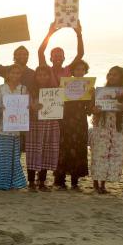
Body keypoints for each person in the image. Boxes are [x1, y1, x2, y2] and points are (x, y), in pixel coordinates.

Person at [54, 60, 93, 191]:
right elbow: (57, 103)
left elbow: (89, 110)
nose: (80, 71)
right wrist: (60, 92)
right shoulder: (65, 84)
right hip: (65, 121)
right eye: (77, 69)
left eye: (82, 69)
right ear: (72, 71)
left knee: (78, 150)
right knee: (64, 149)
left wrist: (92, 97)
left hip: (80, 122)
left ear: (85, 71)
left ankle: (75, 182)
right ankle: (60, 181)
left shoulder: (88, 87)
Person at [89, 66, 123, 194]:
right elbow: (90, 109)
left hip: (116, 126)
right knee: (99, 154)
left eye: (115, 75)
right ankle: (95, 183)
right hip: (101, 125)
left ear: (121, 77)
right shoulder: (99, 92)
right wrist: (95, 110)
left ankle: (103, 184)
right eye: (110, 74)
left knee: (111, 154)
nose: (111, 77)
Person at [0, 65, 28, 190]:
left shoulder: (23, 89)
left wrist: (27, 108)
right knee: (2, 158)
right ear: (7, 74)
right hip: (1, 129)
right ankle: (1, 184)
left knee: (14, 159)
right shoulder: (1, 88)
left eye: (18, 73)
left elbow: (26, 106)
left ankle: (15, 184)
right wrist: (0, 108)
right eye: (12, 73)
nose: (15, 75)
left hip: (16, 129)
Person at [26, 65, 59, 192]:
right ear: (35, 76)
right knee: (33, 152)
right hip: (35, 124)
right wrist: (32, 107)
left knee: (46, 151)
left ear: (49, 76)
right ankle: (31, 182)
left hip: (51, 124)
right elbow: (26, 106)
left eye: (45, 75)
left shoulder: (54, 90)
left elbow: (59, 106)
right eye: (39, 74)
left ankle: (42, 181)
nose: (42, 77)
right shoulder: (31, 90)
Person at [38, 21, 85, 86]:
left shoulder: (68, 70)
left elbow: (80, 54)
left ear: (64, 58)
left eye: (60, 56)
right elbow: (40, 52)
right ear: (51, 59)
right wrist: (50, 33)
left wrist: (79, 34)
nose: (58, 58)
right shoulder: (46, 70)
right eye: (55, 56)